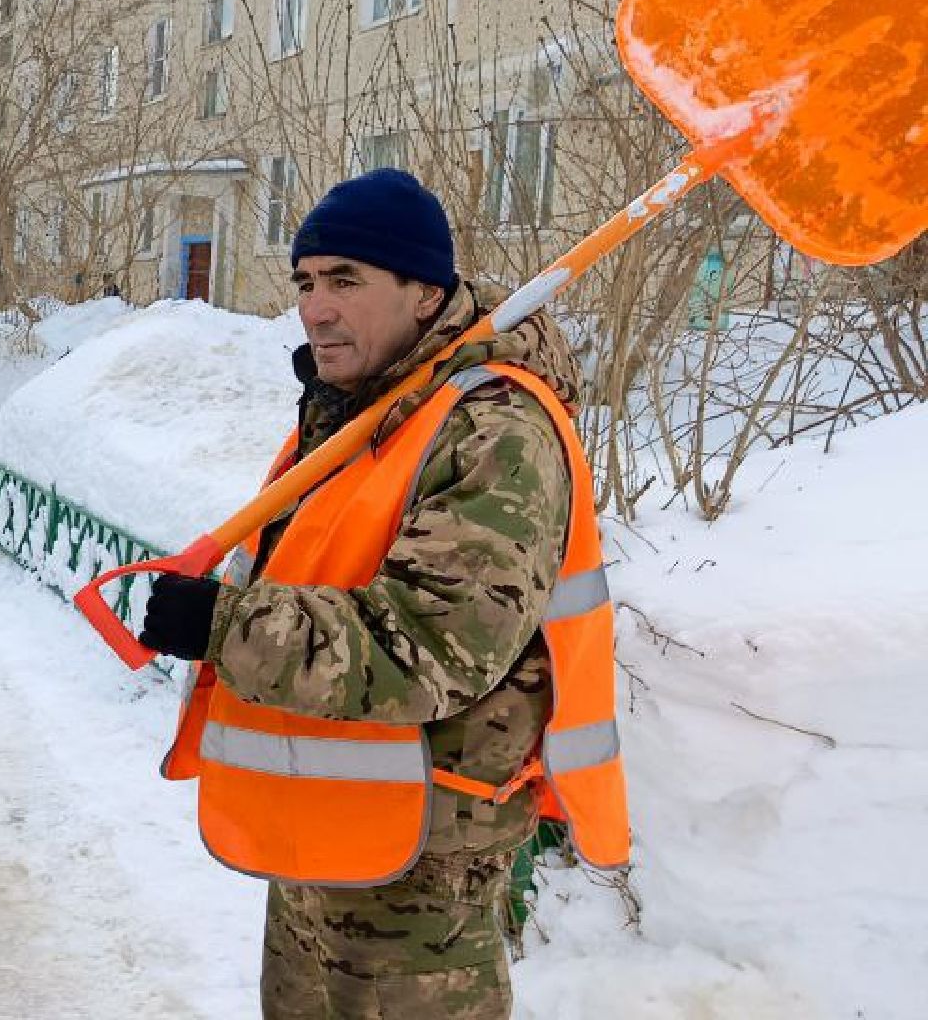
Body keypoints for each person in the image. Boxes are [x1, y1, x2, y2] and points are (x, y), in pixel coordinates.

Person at [133, 169, 628, 1018]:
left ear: (426, 293)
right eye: (306, 281)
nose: (316, 308)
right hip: (329, 821)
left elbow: (433, 646)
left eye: (346, 281)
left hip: (422, 855)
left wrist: (225, 625)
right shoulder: (361, 413)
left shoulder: (491, 429)